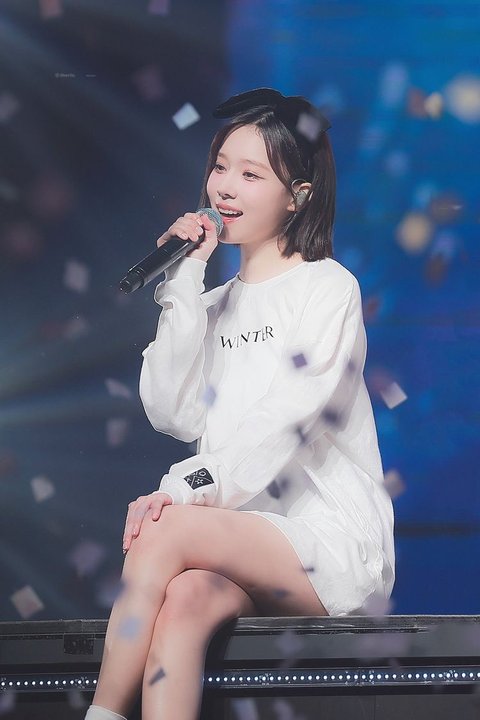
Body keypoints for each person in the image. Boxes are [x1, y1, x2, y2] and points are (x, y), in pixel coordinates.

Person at [85, 87, 395, 720]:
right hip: (237, 533)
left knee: (164, 527)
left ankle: (101, 714)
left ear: (297, 196)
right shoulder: (214, 304)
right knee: (186, 602)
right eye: (221, 167)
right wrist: (183, 280)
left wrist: (183, 490)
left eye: (251, 175)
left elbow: (286, 422)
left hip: (327, 543)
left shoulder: (326, 288)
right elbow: (171, 412)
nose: (224, 187)